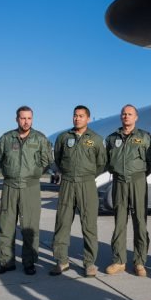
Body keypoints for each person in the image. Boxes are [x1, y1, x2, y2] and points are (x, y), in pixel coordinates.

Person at [0, 106, 53, 275]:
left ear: (32, 119)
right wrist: (10, 172)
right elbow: (0, 158)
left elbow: (46, 161)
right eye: (23, 118)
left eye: (29, 118)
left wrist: (34, 174)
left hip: (30, 187)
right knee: (6, 225)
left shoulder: (40, 139)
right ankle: (6, 261)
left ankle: (29, 262)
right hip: (10, 186)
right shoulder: (6, 138)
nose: (26, 122)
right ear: (16, 119)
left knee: (30, 226)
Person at [50, 105, 107, 277]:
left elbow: (101, 162)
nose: (77, 118)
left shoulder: (96, 139)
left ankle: (89, 263)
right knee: (62, 223)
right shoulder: (63, 137)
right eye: (75, 115)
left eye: (81, 116)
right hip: (67, 183)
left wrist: (87, 175)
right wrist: (68, 173)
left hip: (87, 184)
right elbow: (58, 158)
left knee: (89, 224)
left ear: (88, 119)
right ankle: (61, 261)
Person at [104, 104, 151, 277]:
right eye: (124, 114)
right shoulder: (112, 139)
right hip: (119, 182)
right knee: (119, 222)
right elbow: (107, 161)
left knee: (140, 222)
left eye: (130, 114)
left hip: (138, 181)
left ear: (136, 117)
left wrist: (139, 175)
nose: (126, 116)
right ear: (121, 117)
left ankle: (140, 261)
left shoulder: (144, 137)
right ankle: (119, 260)